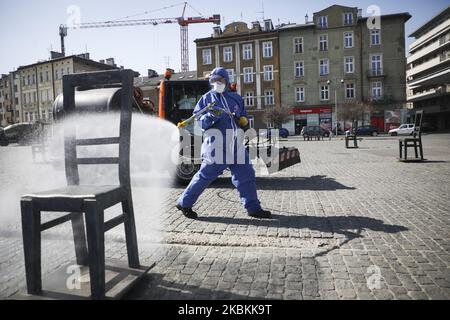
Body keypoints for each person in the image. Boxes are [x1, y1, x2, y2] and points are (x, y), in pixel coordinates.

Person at [176, 67, 271, 219]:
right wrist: (211, 116)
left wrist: (245, 123)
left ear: (227, 81)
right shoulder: (207, 99)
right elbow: (198, 125)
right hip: (216, 145)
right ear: (211, 82)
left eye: (221, 80)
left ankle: (253, 208)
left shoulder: (236, 98)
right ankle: (184, 203)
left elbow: (243, 116)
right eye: (214, 80)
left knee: (246, 175)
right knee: (205, 176)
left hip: (236, 144)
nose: (218, 83)